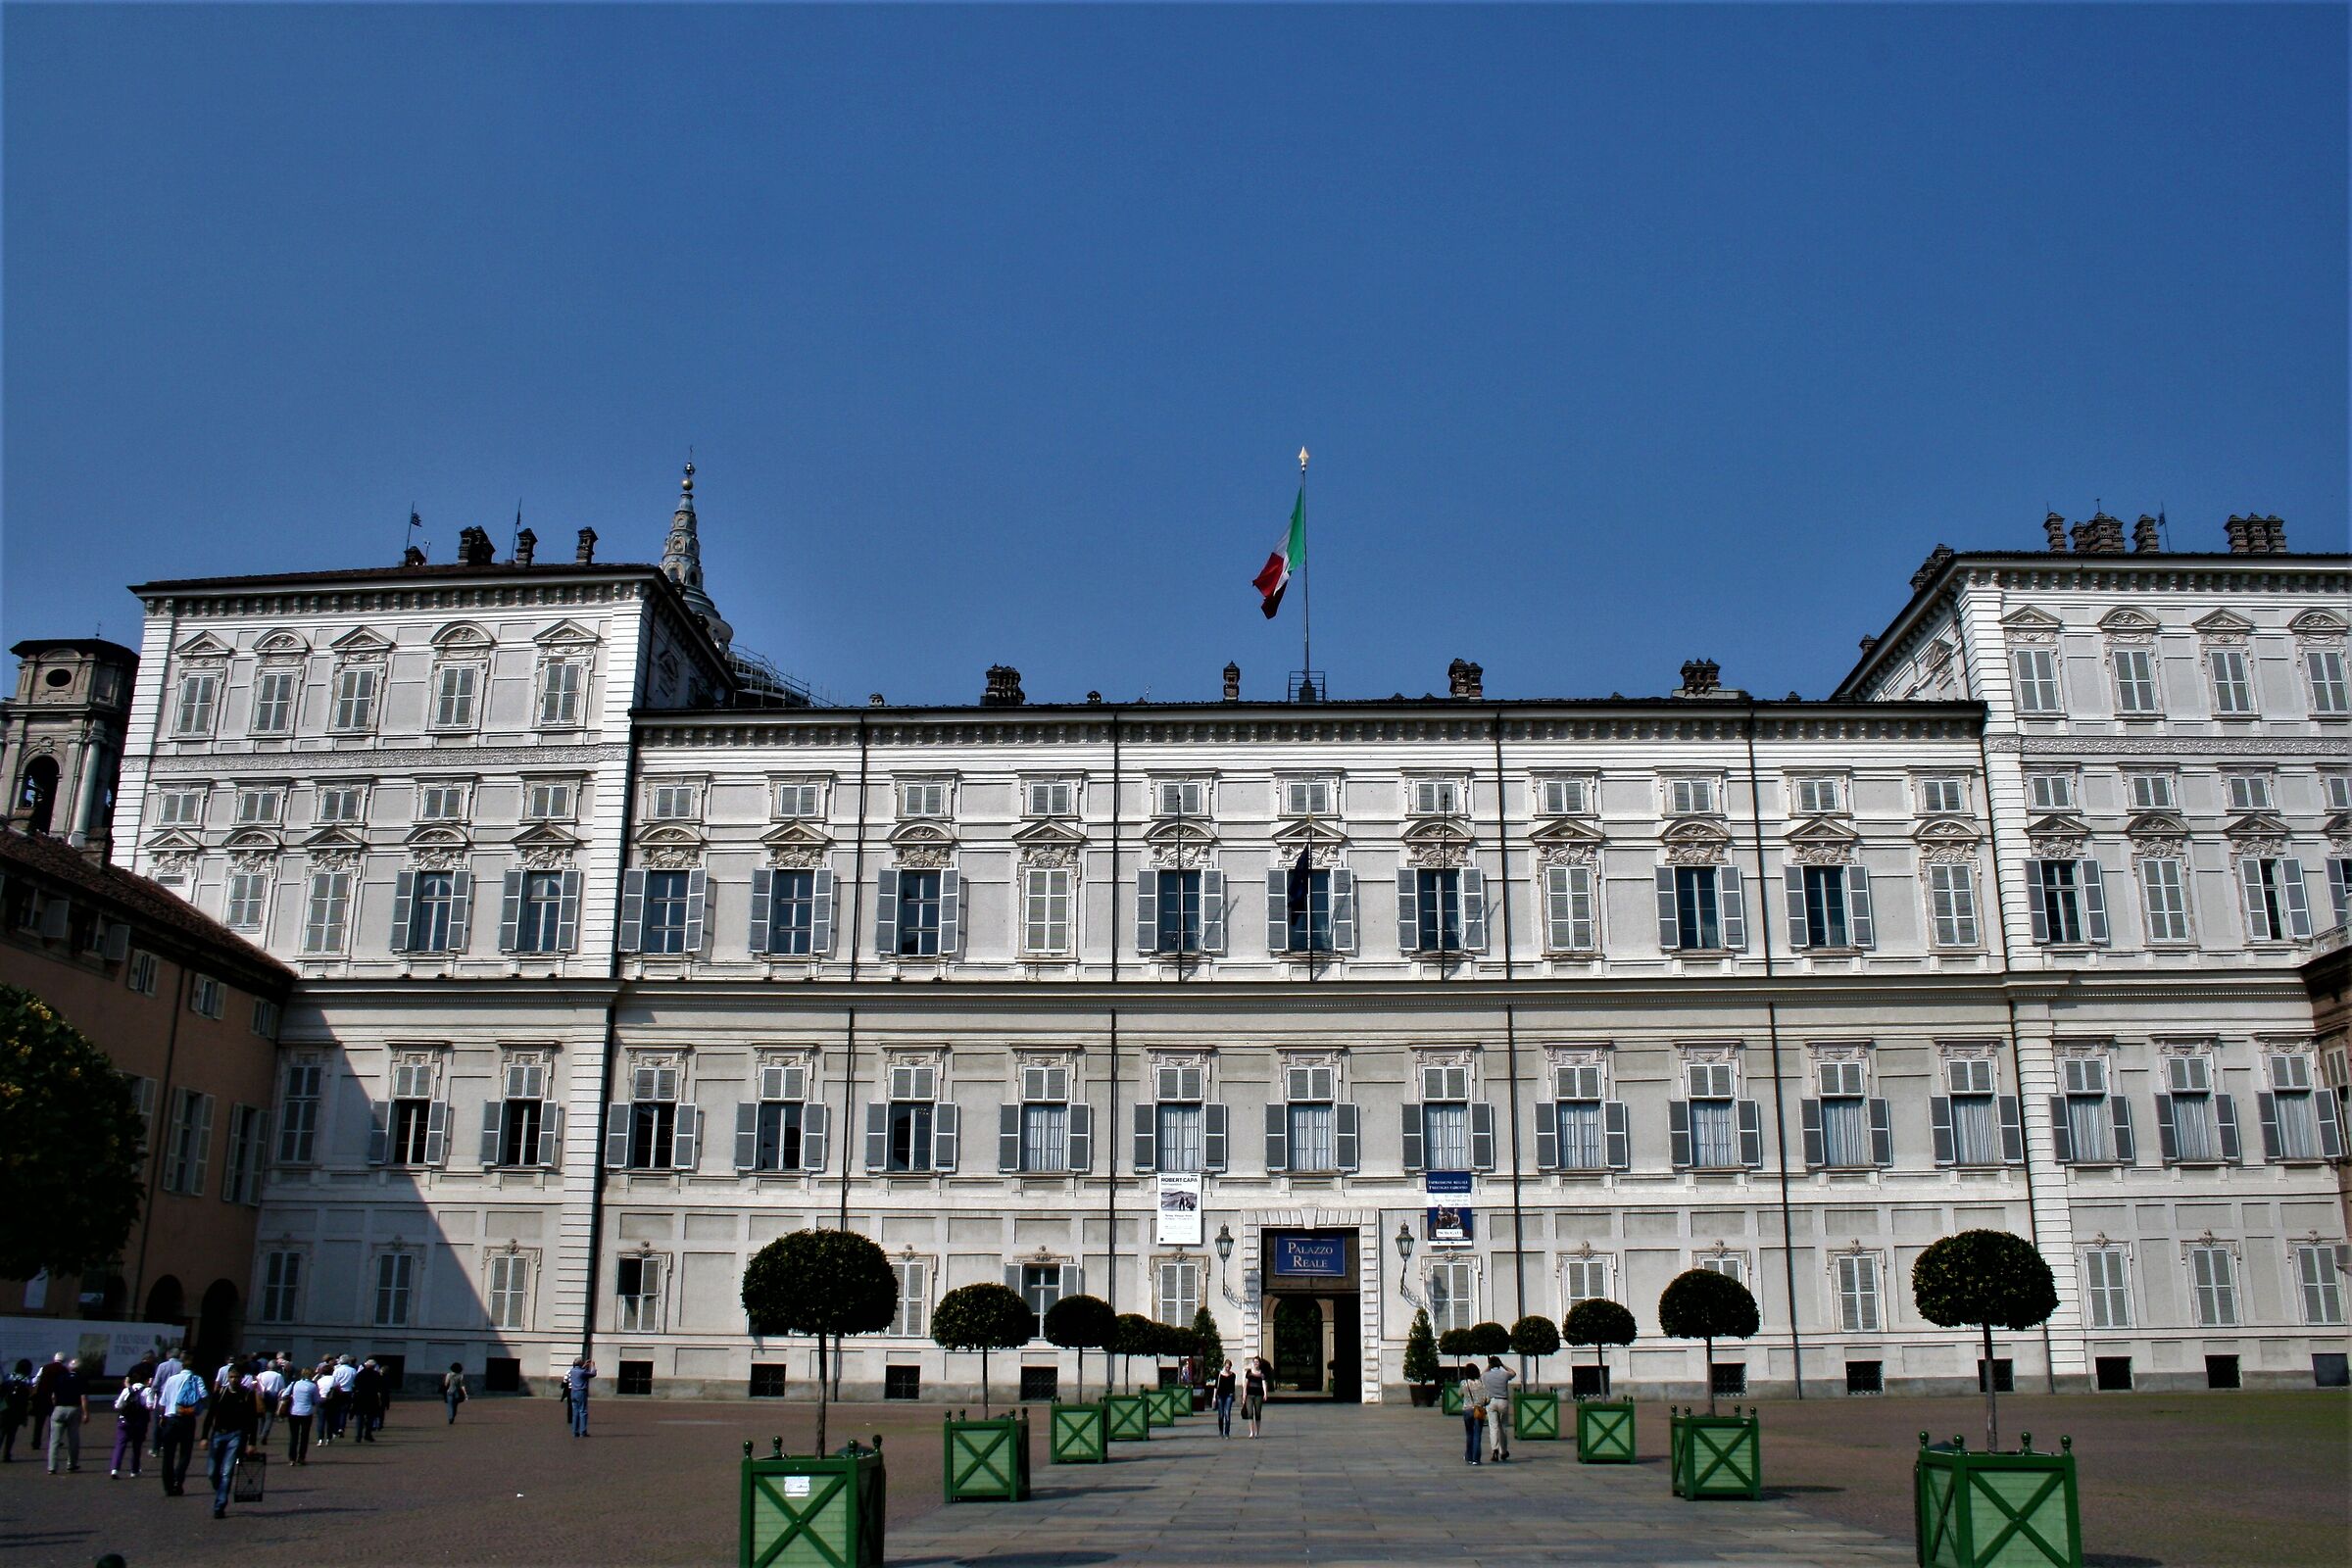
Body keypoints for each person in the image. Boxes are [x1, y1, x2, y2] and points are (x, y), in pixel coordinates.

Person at [208, 1357, 262, 1519]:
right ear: (228, 1378)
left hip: (236, 1435)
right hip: (218, 1433)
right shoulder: (221, 1393)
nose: (234, 1380)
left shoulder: (247, 1394)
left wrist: (252, 1442)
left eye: (236, 1377)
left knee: (227, 1471)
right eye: (231, 1377)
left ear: (241, 1378)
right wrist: (204, 1436)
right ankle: (221, 1490)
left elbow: (253, 1419)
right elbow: (210, 1414)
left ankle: (220, 1504)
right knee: (212, 1472)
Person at [157, 1355, 208, 1495]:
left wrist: (162, 1417)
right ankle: (178, 1481)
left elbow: (163, 1402)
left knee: (168, 1455)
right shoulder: (197, 1379)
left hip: (171, 1419)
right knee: (185, 1453)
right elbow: (204, 1395)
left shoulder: (171, 1380)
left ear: (182, 1367)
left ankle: (168, 1486)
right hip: (187, 1419)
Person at [44, 1356, 86, 1473]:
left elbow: (53, 1396)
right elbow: (83, 1398)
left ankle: (52, 1467)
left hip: (59, 1408)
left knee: (54, 1441)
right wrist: (85, 1413)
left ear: (69, 1367)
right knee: (73, 1439)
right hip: (74, 1408)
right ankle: (71, 1464)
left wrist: (56, 1406)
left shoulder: (60, 1378)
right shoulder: (81, 1379)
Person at [110, 1373, 151, 1478]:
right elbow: (150, 1406)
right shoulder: (147, 1391)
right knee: (136, 1446)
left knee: (120, 1444)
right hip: (139, 1422)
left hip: (125, 1421)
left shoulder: (127, 1390)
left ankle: (115, 1469)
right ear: (146, 1381)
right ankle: (134, 1470)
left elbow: (118, 1405)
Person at [1481, 1354, 1516, 1463]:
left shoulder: (1486, 1375)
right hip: (1503, 1401)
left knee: (1493, 1427)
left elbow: (1481, 1375)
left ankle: (1494, 1450)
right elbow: (1513, 1373)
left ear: (1490, 1365)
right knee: (1503, 1428)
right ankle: (1503, 1451)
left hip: (1491, 1402)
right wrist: (1503, 1365)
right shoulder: (1504, 1374)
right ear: (1499, 1364)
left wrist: (1488, 1366)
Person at [149, 1348, 182, 1457]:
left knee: (158, 1422)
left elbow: (156, 1382)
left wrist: (152, 1394)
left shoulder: (162, 1366)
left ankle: (155, 1448)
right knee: (171, 1420)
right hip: (176, 1397)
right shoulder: (181, 1366)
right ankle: (166, 1444)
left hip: (162, 1395)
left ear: (169, 1355)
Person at [1458, 1363, 1490, 1466]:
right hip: (1478, 1410)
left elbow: (1460, 1394)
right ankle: (1476, 1459)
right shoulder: (1481, 1383)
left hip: (1467, 1409)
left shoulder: (1464, 1383)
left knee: (1469, 1434)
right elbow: (1487, 1398)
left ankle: (1469, 1456)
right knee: (1477, 1435)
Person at [0, 1359, 31, 1462]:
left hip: (5, 1410)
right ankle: (7, 1455)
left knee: (1, 1432)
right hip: (17, 1411)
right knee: (11, 1434)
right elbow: (26, 1400)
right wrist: (24, 1417)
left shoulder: (9, 1377)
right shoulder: (26, 1381)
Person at [254, 1357, 285, 1446]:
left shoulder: (260, 1375)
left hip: (261, 1396)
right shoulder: (278, 1376)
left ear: (268, 1367)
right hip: (272, 1396)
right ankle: (264, 1435)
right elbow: (282, 1388)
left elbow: (257, 1385)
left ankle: (260, 1433)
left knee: (261, 1417)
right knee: (269, 1417)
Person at [352, 1359, 383, 1443]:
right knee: (370, 1418)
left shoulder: (360, 1374)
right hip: (372, 1398)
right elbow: (380, 1387)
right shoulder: (376, 1375)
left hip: (361, 1398)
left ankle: (358, 1436)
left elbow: (355, 1385)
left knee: (360, 1418)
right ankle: (368, 1435)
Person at [565, 1357, 594, 1438]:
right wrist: (593, 1366)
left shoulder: (572, 1370)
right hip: (581, 1392)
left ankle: (575, 1431)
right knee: (583, 1412)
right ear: (581, 1364)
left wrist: (585, 1364)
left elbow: (580, 1370)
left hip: (573, 1392)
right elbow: (593, 1374)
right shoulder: (583, 1372)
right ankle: (583, 1431)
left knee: (575, 1413)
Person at [1241, 1356, 1267, 1439]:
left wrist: (1265, 1394)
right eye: (1254, 1362)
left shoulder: (1262, 1373)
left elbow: (1263, 1384)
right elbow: (1245, 1384)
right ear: (1253, 1363)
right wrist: (1244, 1394)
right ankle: (1251, 1432)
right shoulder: (1249, 1372)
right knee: (1250, 1413)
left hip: (1259, 1395)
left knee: (1258, 1413)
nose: (1256, 1363)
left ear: (1259, 1363)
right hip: (1249, 1395)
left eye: (1257, 1362)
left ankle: (1257, 1432)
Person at [1211, 1358, 1237, 1439]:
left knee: (1227, 1414)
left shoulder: (1233, 1375)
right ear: (1224, 1366)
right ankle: (1220, 1431)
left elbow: (1233, 1387)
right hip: (1220, 1396)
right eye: (1226, 1367)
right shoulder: (1219, 1374)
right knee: (1221, 1415)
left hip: (1229, 1395)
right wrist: (1214, 1397)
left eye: (1229, 1367)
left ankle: (1227, 1433)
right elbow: (1216, 1386)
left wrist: (1233, 1395)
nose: (1227, 1369)